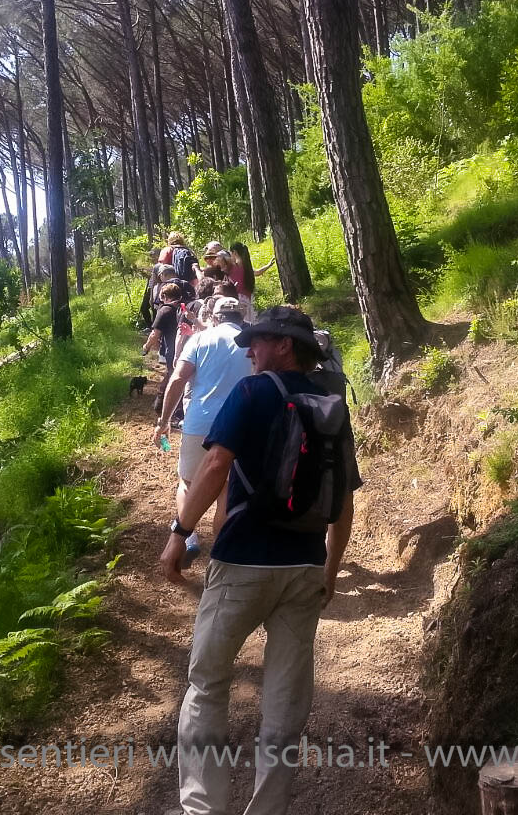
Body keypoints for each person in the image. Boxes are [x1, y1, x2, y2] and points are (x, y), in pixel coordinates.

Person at [159, 305, 361, 815]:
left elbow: (214, 463)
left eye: (258, 341)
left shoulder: (251, 392)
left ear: (285, 345)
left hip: (243, 562)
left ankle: (203, 809)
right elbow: (344, 500)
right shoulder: (331, 404)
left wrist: (180, 534)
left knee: (207, 685)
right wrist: (330, 569)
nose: (248, 350)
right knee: (285, 702)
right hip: (304, 567)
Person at [152, 296, 253, 565]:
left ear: (215, 316)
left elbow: (177, 379)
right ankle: (220, 556)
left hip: (200, 422)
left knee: (187, 482)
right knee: (227, 489)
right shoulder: (253, 342)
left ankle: (188, 539)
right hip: (241, 422)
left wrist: (164, 420)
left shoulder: (200, 339)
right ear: (241, 317)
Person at [143, 282, 185, 418]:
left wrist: (146, 347)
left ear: (165, 296)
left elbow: (155, 334)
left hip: (172, 351)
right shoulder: (184, 307)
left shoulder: (165, 310)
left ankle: (163, 407)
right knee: (178, 376)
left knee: (172, 378)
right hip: (186, 348)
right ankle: (167, 406)